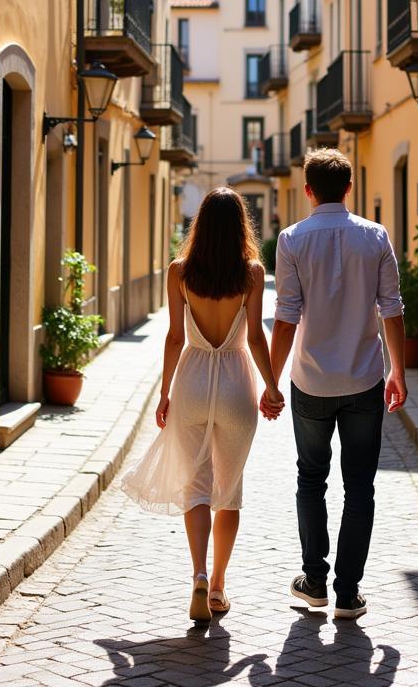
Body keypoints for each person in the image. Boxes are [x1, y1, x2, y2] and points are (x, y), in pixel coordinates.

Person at [121, 187, 285, 622]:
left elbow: (175, 336)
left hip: (192, 381)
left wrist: (164, 393)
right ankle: (217, 587)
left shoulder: (179, 272)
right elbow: (254, 337)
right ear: (239, 227)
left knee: (197, 484)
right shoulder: (251, 273)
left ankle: (195, 572)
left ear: (200, 225)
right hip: (235, 384)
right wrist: (271, 388)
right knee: (228, 492)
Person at [265, 148, 407, 619]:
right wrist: (398, 371)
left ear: (308, 190)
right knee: (360, 486)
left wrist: (271, 380)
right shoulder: (375, 235)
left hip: (310, 380)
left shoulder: (290, 239)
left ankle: (315, 582)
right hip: (365, 377)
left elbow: (285, 316)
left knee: (311, 478)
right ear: (349, 187)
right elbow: (393, 307)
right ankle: (348, 593)